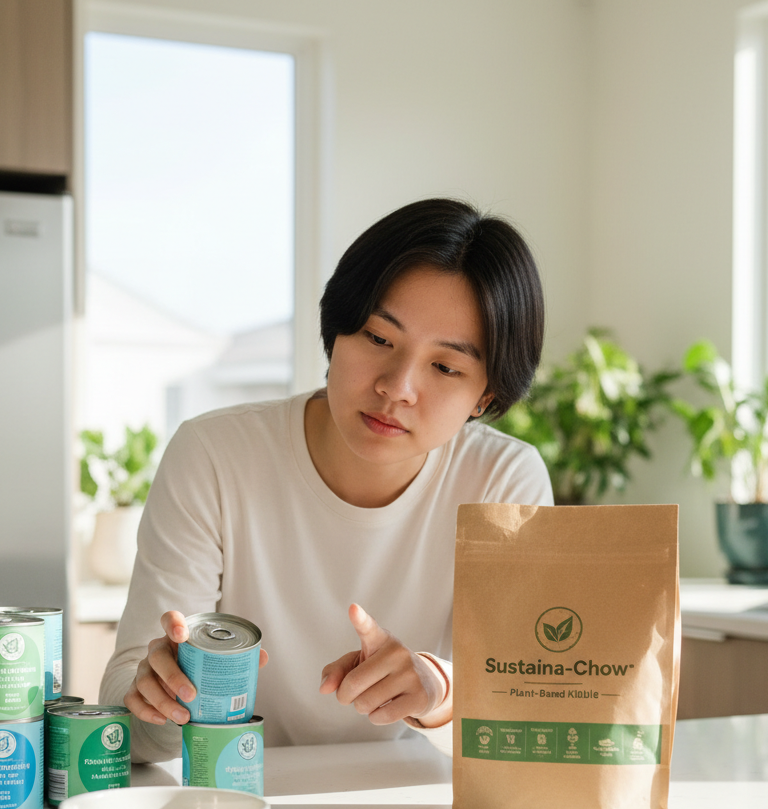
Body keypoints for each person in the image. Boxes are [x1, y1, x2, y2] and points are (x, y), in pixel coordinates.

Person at [99, 198, 553, 760]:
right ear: (336, 330)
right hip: (235, 796)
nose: (397, 387)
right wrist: (163, 702)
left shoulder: (504, 481)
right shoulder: (215, 455)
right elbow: (126, 724)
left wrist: (436, 692)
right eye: (379, 338)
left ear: (485, 396)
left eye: (445, 367)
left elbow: (526, 716)